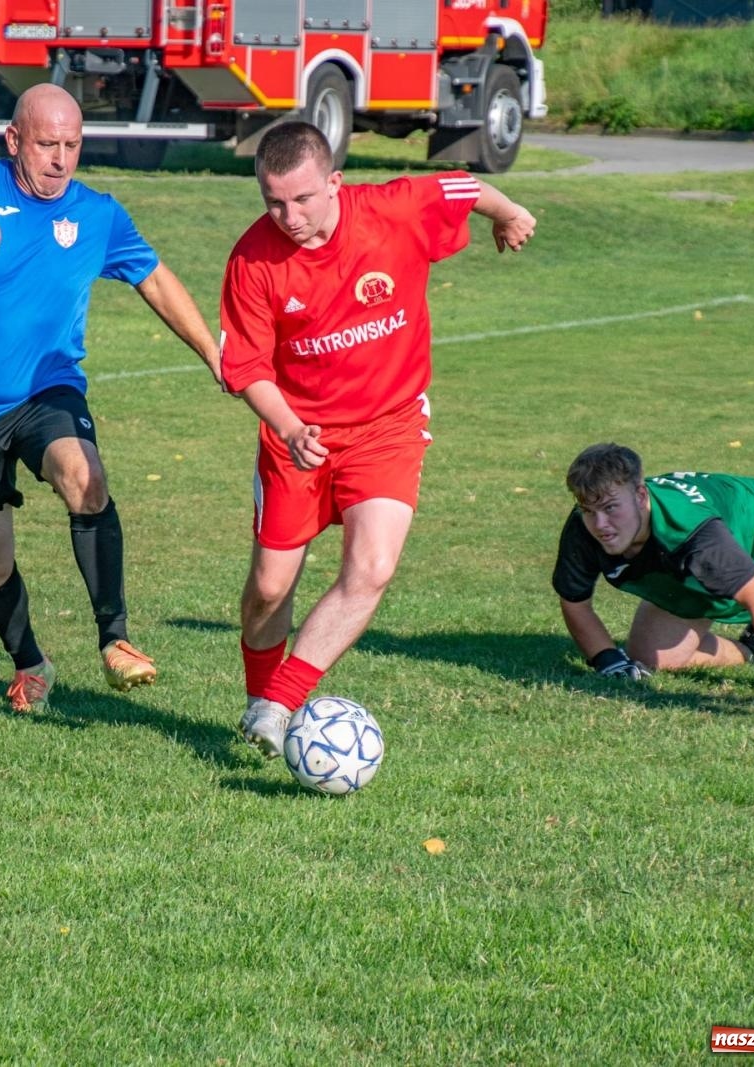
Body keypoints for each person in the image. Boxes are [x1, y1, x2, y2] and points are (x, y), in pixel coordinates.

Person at [0, 84, 221, 714]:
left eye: (72, 144)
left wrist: (213, 351)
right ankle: (30, 663)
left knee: (84, 477)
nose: (61, 158)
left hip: (47, 389)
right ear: (14, 141)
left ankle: (116, 640)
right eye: (47, 144)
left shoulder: (97, 213)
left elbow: (156, 281)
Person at [220, 120, 535, 757]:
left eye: (303, 199)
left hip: (388, 426)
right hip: (297, 435)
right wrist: (287, 427)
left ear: (335, 182)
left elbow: (461, 186)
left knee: (372, 567)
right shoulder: (252, 260)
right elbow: (247, 368)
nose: (290, 216)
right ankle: (260, 696)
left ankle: (278, 707)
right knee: (270, 588)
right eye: (274, 203)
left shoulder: (392, 210)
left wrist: (509, 213)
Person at [552, 443, 754, 704]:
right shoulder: (584, 526)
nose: (600, 525)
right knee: (651, 657)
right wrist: (607, 661)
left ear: (640, 495)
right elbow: (574, 601)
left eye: (610, 508)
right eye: (588, 510)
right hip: (695, 562)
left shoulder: (695, 533)